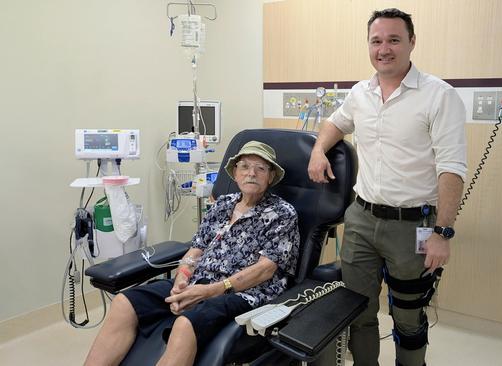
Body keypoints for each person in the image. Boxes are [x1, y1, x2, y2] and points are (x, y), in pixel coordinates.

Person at [307, 8, 467, 366]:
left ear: (412, 42)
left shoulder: (439, 96)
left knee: (409, 316)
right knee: (358, 310)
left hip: (414, 226)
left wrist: (442, 233)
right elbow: (336, 123)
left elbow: (452, 169)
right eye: (376, 41)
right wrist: (318, 150)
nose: (384, 48)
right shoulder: (360, 93)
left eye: (394, 39)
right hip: (362, 220)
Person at [85, 141, 300, 366]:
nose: (251, 173)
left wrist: (210, 291)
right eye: (244, 166)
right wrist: (182, 280)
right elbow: (196, 249)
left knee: (185, 324)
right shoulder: (222, 205)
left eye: (260, 168)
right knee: (123, 303)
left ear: (270, 176)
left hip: (243, 293)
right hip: (198, 282)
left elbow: (265, 269)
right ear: (235, 174)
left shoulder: (281, 213)